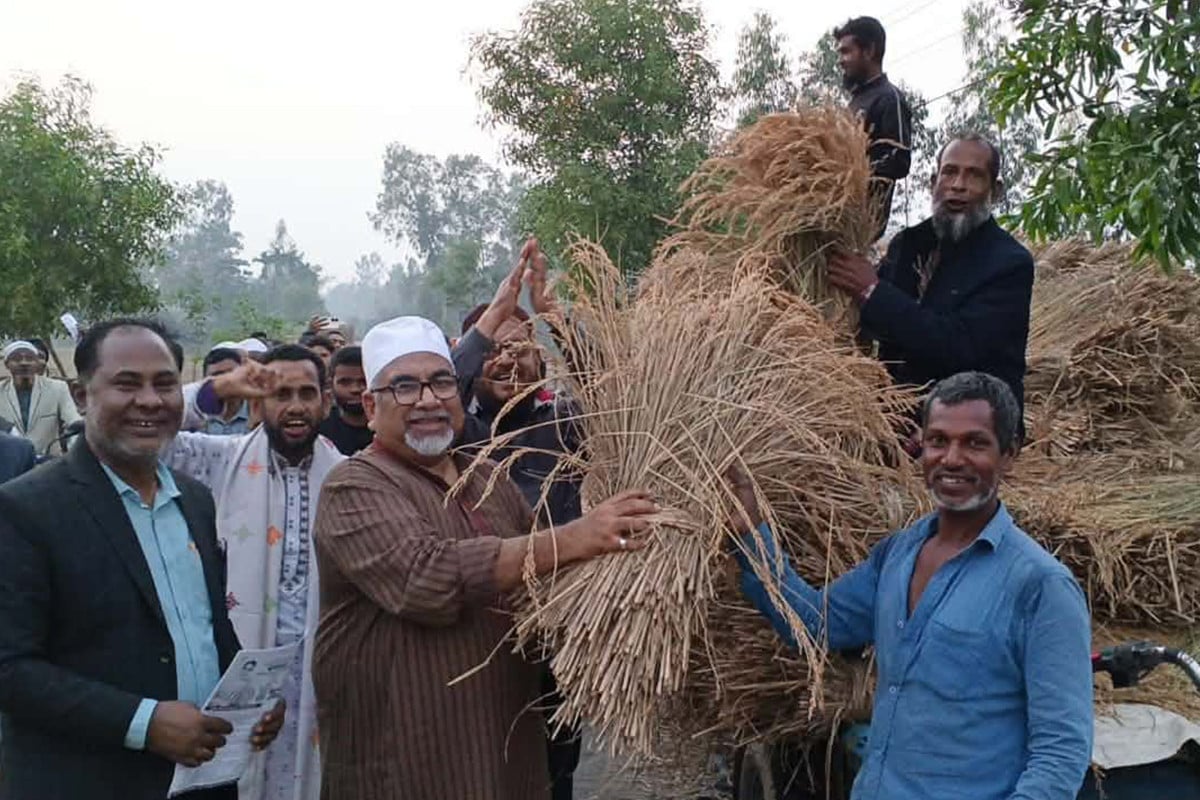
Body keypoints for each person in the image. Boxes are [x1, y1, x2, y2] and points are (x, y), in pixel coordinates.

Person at [312, 315, 657, 800]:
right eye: (405, 387)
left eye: (441, 383)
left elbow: (546, 590)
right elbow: (425, 578)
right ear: (371, 406)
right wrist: (577, 536)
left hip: (510, 755)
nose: (428, 399)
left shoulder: (489, 480)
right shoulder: (353, 486)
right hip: (405, 764)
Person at [731, 372, 1092, 800]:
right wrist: (752, 535)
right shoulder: (899, 556)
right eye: (938, 441)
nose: (952, 458)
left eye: (974, 443)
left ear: (1008, 455)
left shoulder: (1041, 586)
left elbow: (1061, 750)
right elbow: (812, 624)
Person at [0, 318, 284, 799]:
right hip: (87, 781)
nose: (150, 401)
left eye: (165, 384)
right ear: (84, 395)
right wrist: (144, 723)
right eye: (127, 384)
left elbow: (205, 626)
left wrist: (252, 700)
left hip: (200, 780)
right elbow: (10, 668)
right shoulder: (25, 508)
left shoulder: (194, 501)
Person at [165, 344, 345, 800]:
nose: (296, 407)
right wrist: (217, 388)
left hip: (321, 673)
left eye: (307, 393)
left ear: (326, 400)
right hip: (238, 668)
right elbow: (151, 433)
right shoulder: (222, 460)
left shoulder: (348, 475)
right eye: (281, 393)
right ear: (258, 401)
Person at [453, 241, 584, 799]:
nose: (510, 359)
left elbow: (618, 387)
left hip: (559, 626)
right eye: (495, 350)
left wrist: (554, 314)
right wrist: (491, 320)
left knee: (556, 766)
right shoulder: (455, 433)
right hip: (474, 628)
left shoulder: (567, 424)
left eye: (523, 348)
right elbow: (443, 383)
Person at [827, 134, 1035, 429]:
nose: (958, 185)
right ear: (933, 182)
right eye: (950, 172)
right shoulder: (908, 244)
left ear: (995, 190)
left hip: (974, 425)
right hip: (895, 421)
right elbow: (874, 323)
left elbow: (960, 346)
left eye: (974, 175)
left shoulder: (1009, 263)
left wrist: (872, 292)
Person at [834, 16, 913, 239]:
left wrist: (850, 173)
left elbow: (898, 158)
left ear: (869, 50)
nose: (840, 60)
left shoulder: (889, 99)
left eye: (846, 52)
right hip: (834, 221)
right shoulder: (855, 102)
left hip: (859, 230)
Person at [0, 339, 83, 457]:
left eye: (29, 358)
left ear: (37, 362)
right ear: (7, 364)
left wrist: (75, 452)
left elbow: (73, 420)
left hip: (48, 464)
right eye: (17, 359)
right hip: (10, 464)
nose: (24, 363)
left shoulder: (58, 388)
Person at [318, 346, 374, 455]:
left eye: (363, 382)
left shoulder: (391, 428)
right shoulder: (319, 431)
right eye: (345, 382)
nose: (355, 389)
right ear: (330, 384)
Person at [183, 346, 251, 436]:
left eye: (232, 373)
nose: (227, 380)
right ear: (205, 380)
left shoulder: (258, 414)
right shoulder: (193, 418)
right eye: (218, 375)